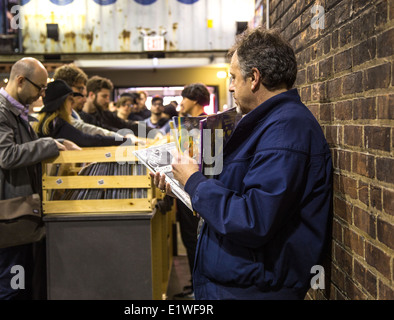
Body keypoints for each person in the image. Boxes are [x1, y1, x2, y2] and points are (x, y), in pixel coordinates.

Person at [152, 27, 332, 300]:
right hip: (240, 282)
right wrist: (184, 185)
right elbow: (239, 192)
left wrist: (194, 182)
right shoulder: (270, 124)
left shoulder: (285, 131)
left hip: (253, 289)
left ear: (255, 77)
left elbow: (253, 219)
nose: (232, 86)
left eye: (234, 78)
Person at [0, 57, 80, 300]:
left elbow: (25, 149)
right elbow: (7, 156)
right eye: (39, 87)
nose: (41, 94)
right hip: (8, 213)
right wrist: (48, 145)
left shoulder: (15, 112)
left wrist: (58, 143)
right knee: (11, 285)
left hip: (21, 209)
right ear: (21, 80)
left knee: (22, 283)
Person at [171, 84, 209, 300]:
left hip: (194, 188)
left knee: (194, 239)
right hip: (191, 187)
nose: (181, 102)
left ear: (194, 100)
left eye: (184, 98)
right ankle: (195, 283)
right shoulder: (190, 123)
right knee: (190, 240)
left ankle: (198, 288)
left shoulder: (200, 124)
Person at [33, 79, 129, 147]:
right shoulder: (57, 123)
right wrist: (123, 140)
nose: (73, 103)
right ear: (62, 103)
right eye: (70, 100)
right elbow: (86, 140)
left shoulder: (43, 121)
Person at [80, 76, 162, 140]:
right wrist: (125, 134)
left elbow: (127, 125)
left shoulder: (105, 114)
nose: (107, 101)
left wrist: (154, 133)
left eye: (108, 97)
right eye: (104, 96)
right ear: (91, 95)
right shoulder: (78, 116)